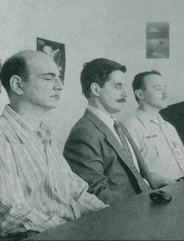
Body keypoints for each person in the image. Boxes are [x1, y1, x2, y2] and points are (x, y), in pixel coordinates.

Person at [0, 51, 107, 238]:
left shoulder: (43, 134)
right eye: (48, 78)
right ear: (17, 85)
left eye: (59, 78)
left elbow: (76, 193)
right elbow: (8, 215)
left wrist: (111, 214)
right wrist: (72, 230)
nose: (60, 86)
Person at [63, 58, 156, 205]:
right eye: (118, 87)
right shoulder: (84, 133)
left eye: (124, 87)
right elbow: (94, 192)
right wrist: (143, 204)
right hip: (125, 215)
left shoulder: (117, 125)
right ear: (95, 89)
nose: (125, 93)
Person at [124, 70, 184, 188]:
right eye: (157, 88)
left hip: (182, 187)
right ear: (140, 94)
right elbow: (130, 175)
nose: (165, 92)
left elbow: (182, 169)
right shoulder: (131, 127)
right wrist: (165, 183)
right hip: (161, 194)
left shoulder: (168, 127)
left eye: (165, 87)